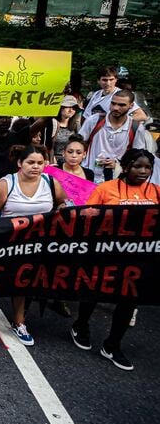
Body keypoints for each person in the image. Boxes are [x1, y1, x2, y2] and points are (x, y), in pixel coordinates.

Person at [71, 149, 158, 371]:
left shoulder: (156, 192)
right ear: (126, 166)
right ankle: (81, 325)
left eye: (147, 167)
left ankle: (112, 345)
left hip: (139, 258)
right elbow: (88, 218)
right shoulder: (105, 190)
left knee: (129, 300)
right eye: (138, 166)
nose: (143, 171)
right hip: (106, 253)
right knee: (95, 291)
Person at [0, 145, 67, 345]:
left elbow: (63, 202)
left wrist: (63, 208)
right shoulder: (6, 183)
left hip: (36, 243)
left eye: (40, 163)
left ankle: (19, 322)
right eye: (31, 162)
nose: (36, 167)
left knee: (23, 281)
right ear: (20, 163)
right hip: (6, 241)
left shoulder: (51, 182)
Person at [78, 89, 152, 183]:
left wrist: (117, 165)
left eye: (122, 105)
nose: (116, 108)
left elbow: (137, 156)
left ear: (131, 106)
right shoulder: (94, 120)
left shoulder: (136, 128)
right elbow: (78, 143)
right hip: (89, 176)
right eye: (113, 103)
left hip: (117, 180)